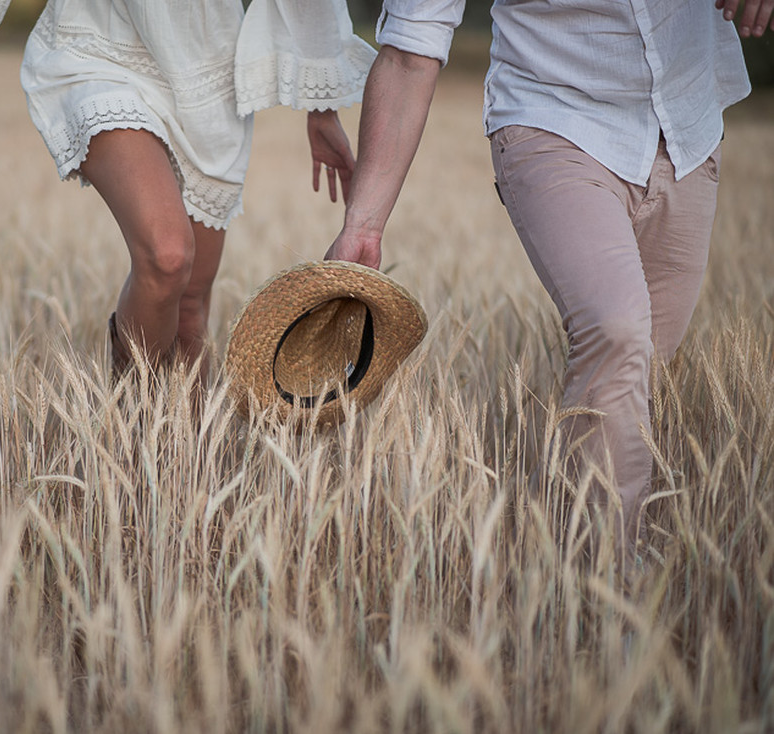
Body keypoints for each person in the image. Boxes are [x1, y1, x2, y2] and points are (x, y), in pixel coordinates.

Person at [325, 0, 772, 560]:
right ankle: (603, 593)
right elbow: (412, 44)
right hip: (552, 113)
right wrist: (363, 223)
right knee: (615, 330)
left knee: (642, 373)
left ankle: (550, 556)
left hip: (685, 125)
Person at [0, 0, 377, 385]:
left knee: (189, 306)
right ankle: (128, 444)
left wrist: (321, 107)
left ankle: (184, 471)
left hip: (208, 71)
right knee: (167, 257)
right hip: (99, 43)